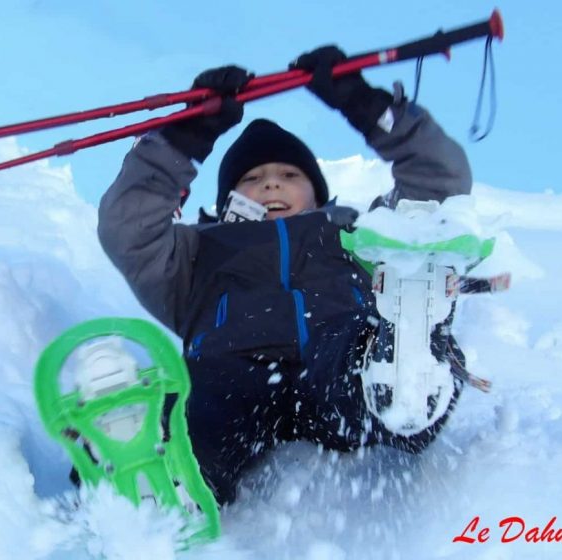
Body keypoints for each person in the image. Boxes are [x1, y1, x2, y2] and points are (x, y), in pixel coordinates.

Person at [97, 46, 471, 505]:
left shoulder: (359, 232)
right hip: (230, 366)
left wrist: (364, 105)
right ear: (227, 198)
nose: (271, 184)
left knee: (361, 355)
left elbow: (439, 186)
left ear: (317, 192)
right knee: (199, 406)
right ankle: (160, 472)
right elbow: (125, 226)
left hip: (335, 352)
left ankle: (404, 375)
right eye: (251, 179)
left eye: (289, 173)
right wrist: (185, 135)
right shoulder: (191, 250)